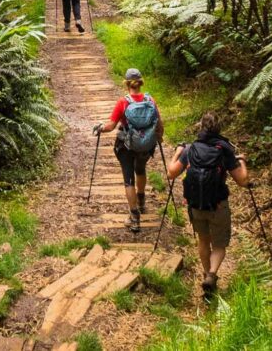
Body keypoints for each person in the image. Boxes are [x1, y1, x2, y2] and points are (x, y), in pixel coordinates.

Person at [166, 112, 248, 296]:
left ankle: (206, 275)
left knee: (203, 241)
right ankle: (212, 274)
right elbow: (242, 180)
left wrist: (177, 153)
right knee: (219, 245)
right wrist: (242, 161)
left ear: (200, 127)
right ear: (219, 128)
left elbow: (171, 173)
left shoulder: (191, 149)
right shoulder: (224, 149)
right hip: (218, 204)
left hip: (196, 205)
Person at [93, 68, 163, 233]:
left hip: (127, 145)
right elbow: (159, 123)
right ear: (140, 83)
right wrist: (158, 138)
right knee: (141, 169)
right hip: (146, 145)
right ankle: (142, 201)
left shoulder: (123, 102)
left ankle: (134, 217)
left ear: (126, 83)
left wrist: (100, 128)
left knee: (128, 178)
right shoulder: (150, 100)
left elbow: (111, 126)